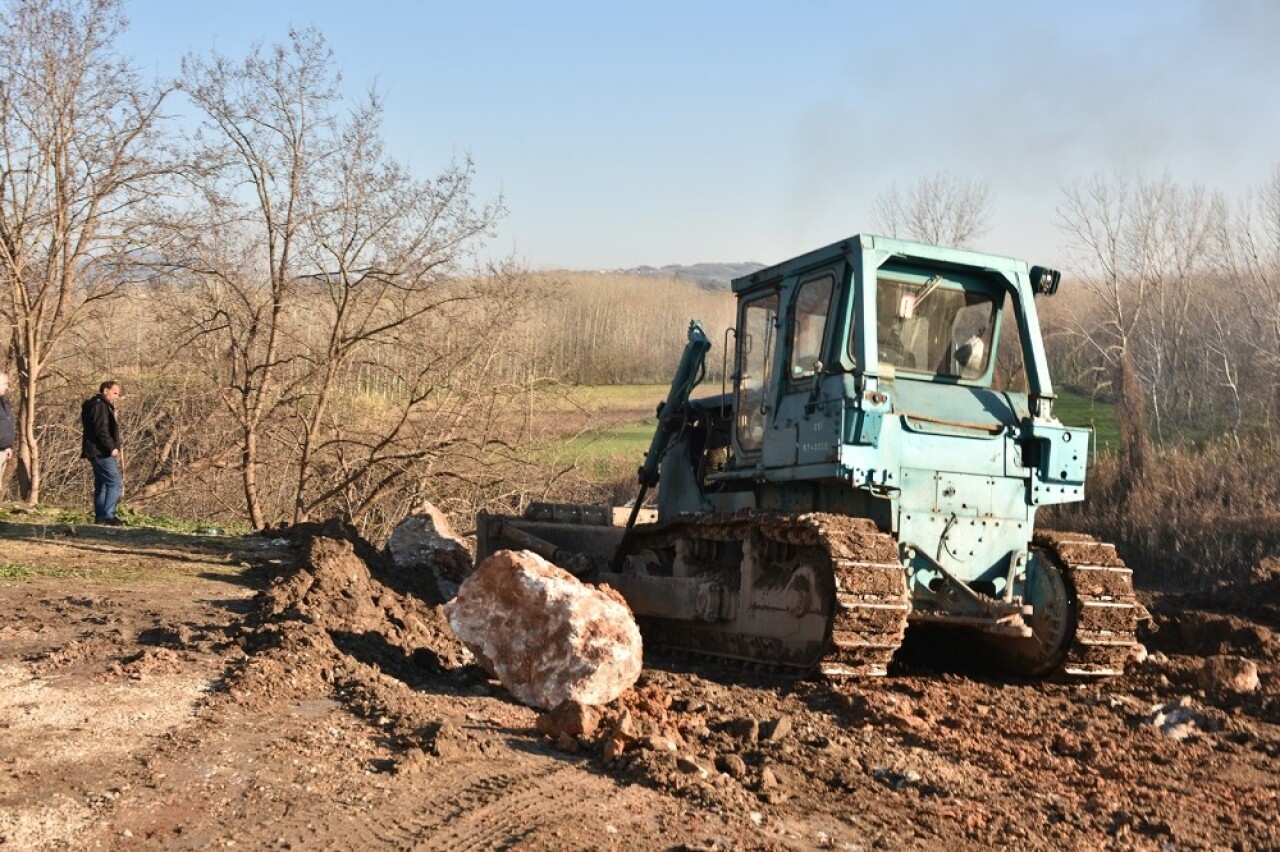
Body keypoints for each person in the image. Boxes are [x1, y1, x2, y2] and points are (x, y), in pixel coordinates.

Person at [81, 380, 124, 525]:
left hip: (94, 451)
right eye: (115, 393)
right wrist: (111, 447)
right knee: (115, 483)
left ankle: (100, 516)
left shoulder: (95, 405)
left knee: (103, 484)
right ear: (105, 391)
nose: (116, 397)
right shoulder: (100, 406)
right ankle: (108, 515)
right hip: (101, 451)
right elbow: (101, 430)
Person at [0, 373, 14, 495]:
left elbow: (6, 424)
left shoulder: (4, 402)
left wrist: (7, 446)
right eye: (5, 384)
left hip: (3, 450)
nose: (7, 387)